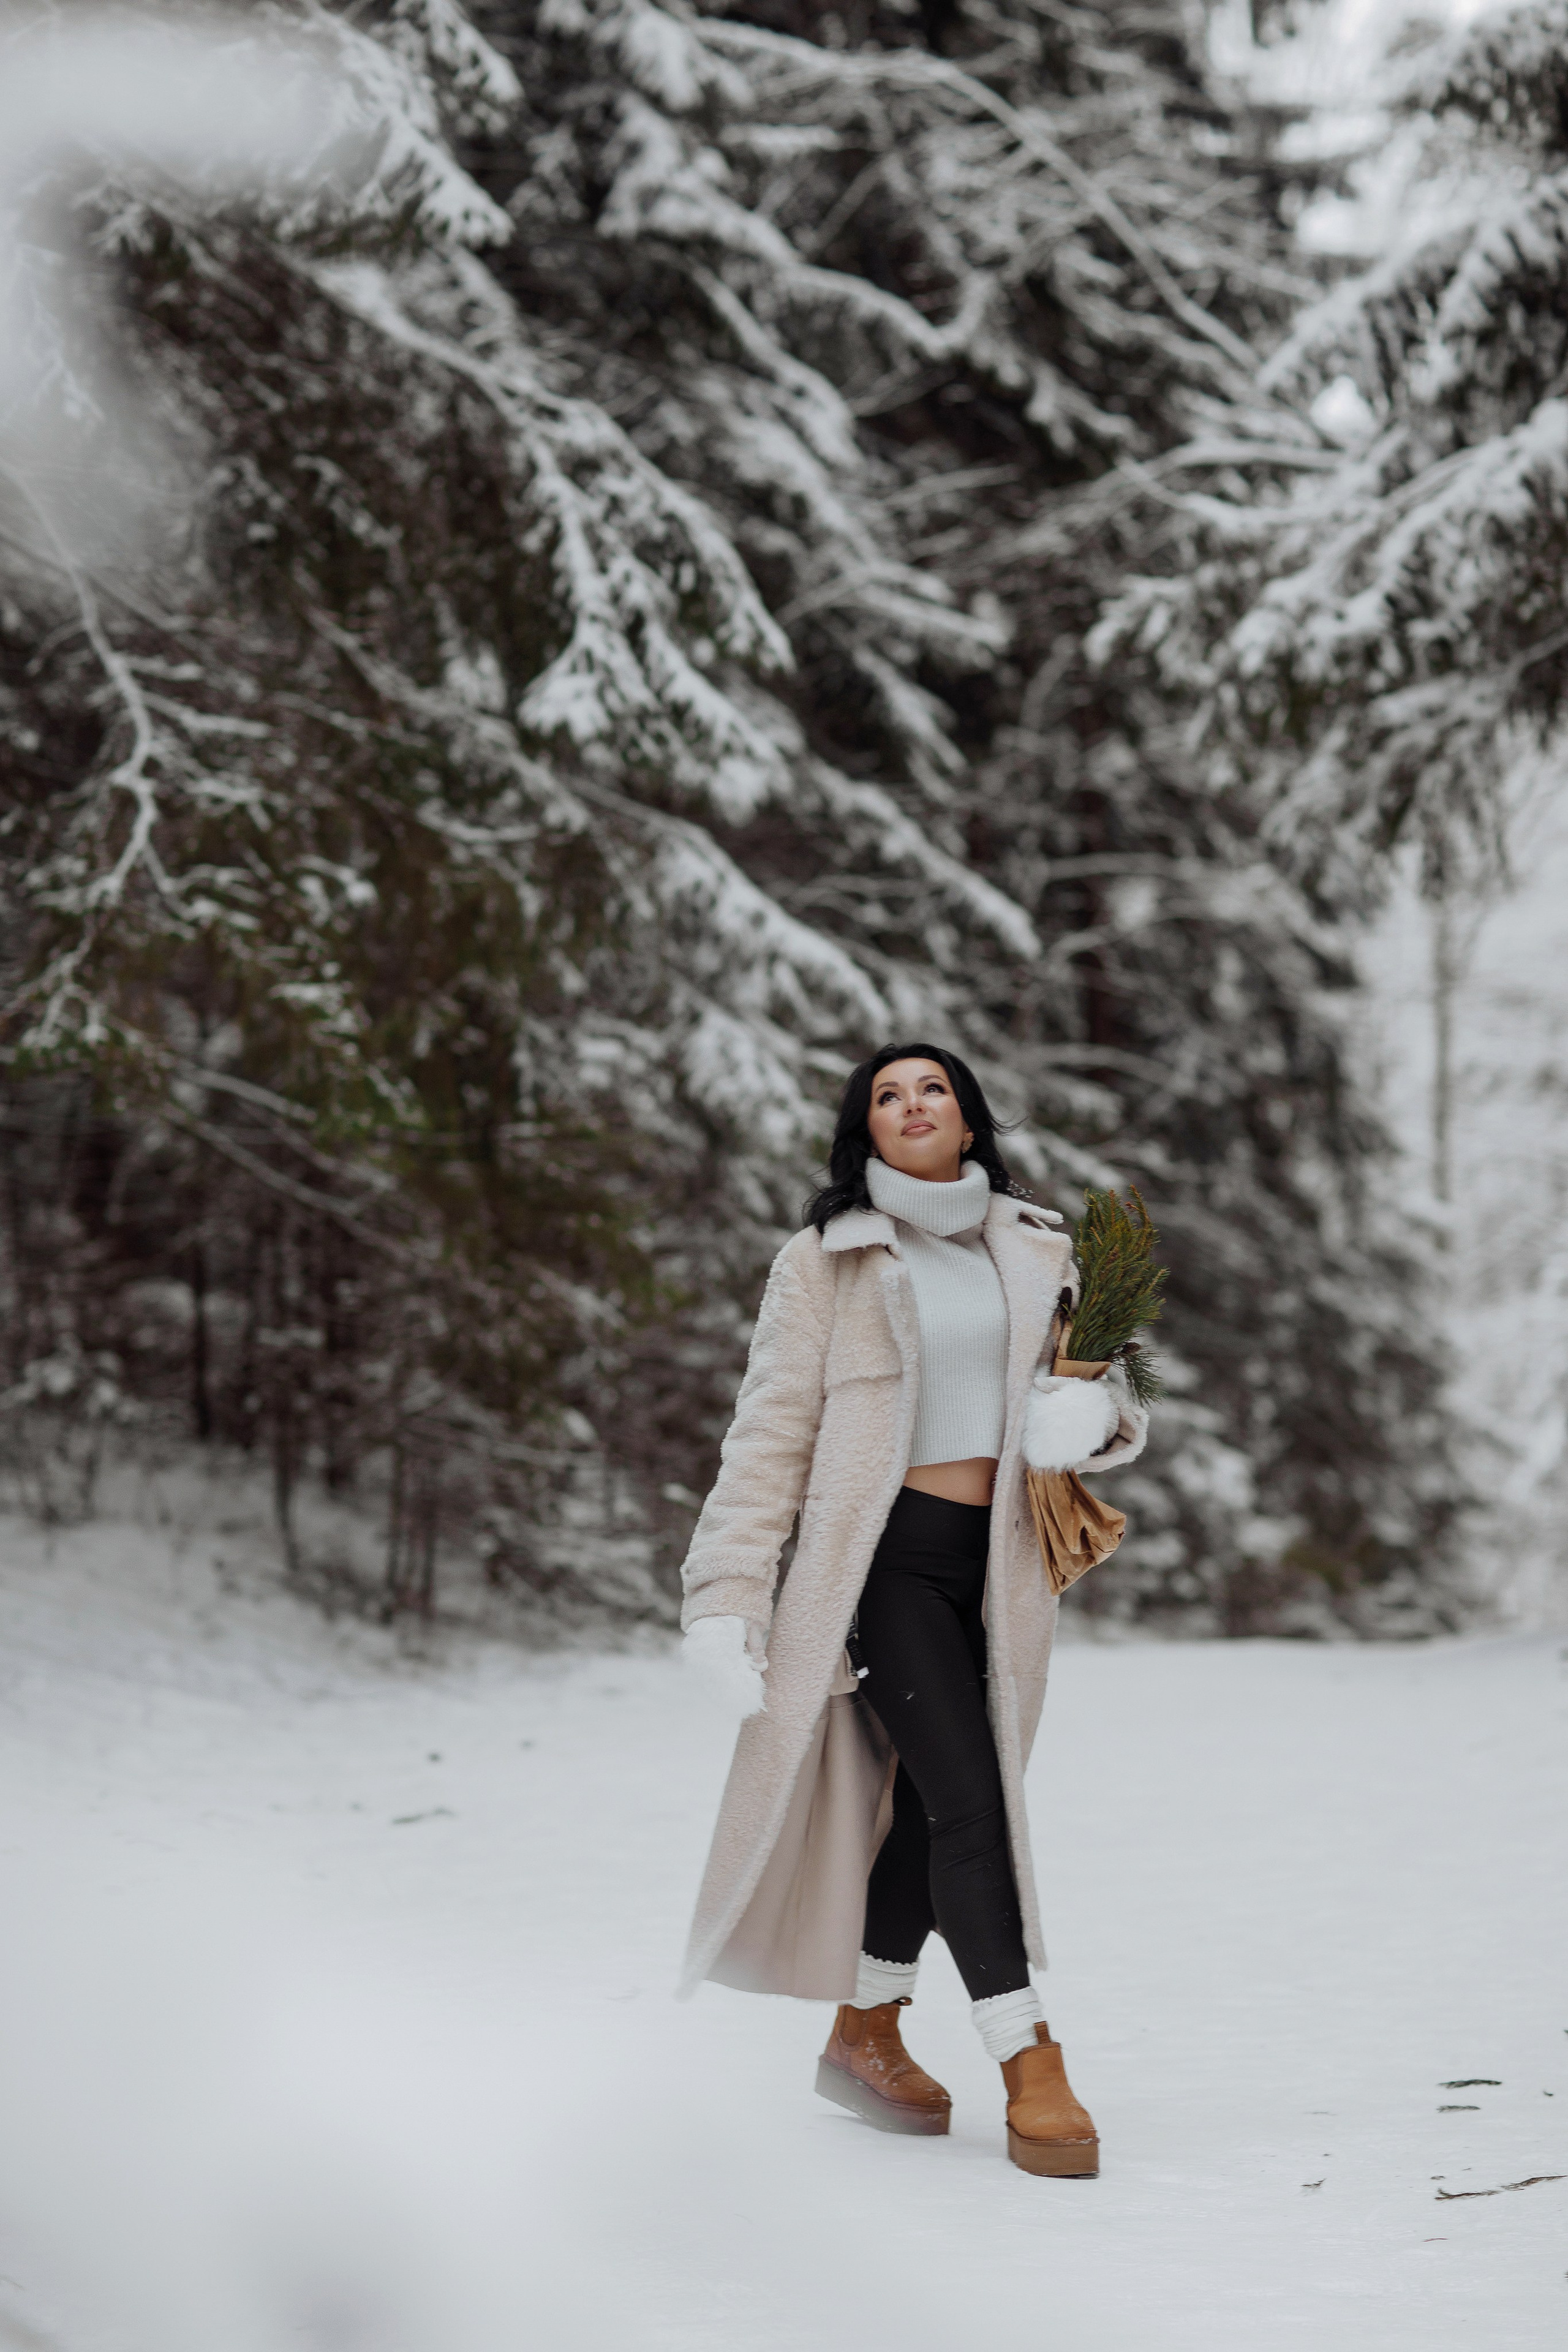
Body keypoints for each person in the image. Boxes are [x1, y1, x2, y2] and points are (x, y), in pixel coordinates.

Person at [677, 1044, 1149, 2176]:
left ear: (969, 1118)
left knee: (937, 1804)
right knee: (974, 1804)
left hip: (1000, 1570)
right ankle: (1028, 2058)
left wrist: (1092, 1421)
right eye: (886, 1096)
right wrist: (726, 1594)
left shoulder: (1038, 1252)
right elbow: (770, 1436)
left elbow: (1105, 1387)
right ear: (867, 1132)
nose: (911, 1104)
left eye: (931, 1087)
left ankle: (864, 2033)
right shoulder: (826, 1262)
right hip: (881, 1567)